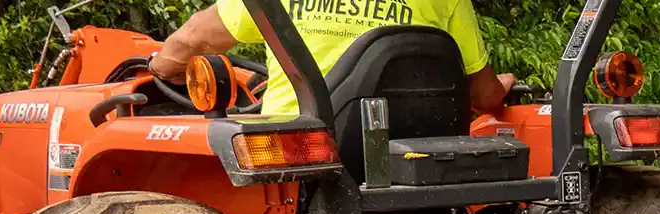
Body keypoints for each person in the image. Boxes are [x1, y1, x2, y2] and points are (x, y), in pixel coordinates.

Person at [149, 0, 517, 119]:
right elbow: (484, 98)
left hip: (298, 155)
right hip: (412, 162)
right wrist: (501, 84)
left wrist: (160, 66)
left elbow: (191, 39)